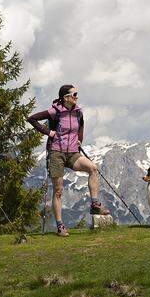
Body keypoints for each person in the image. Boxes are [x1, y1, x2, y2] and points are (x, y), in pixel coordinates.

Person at [27, 83, 110, 236]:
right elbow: (31, 119)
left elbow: (81, 126)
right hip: (56, 153)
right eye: (74, 94)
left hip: (72, 153)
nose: (77, 97)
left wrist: (80, 140)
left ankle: (95, 204)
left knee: (92, 168)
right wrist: (49, 132)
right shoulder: (55, 112)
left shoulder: (78, 112)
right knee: (58, 191)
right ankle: (60, 226)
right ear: (66, 97)